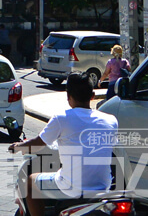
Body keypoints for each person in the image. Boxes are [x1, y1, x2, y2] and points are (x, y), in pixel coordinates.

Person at [8, 73, 118, 216]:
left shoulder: (61, 118)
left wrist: (18, 146)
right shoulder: (111, 120)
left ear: (68, 97)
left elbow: (37, 143)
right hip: (103, 187)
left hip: (72, 188)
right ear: (92, 95)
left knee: (29, 182)